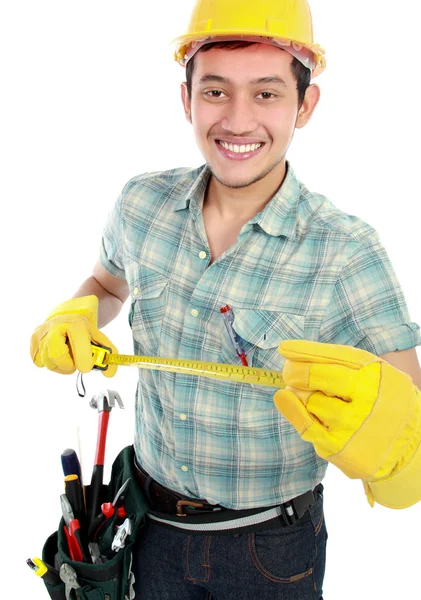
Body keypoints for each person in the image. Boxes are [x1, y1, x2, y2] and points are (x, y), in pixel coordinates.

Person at [30, 1, 421, 598]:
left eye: (266, 94)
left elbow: (409, 409)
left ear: (305, 106)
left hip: (270, 548)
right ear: (186, 99)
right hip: (145, 526)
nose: (238, 121)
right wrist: (77, 310)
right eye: (216, 91)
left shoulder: (346, 251)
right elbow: (108, 283)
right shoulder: (141, 206)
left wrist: (391, 449)